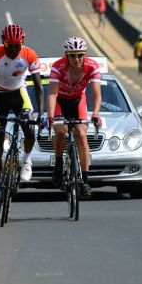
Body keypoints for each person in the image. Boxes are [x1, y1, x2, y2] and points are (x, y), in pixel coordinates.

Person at [0, 24, 44, 213]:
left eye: (17, 45)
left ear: (22, 43)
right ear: (3, 41)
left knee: (30, 129)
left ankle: (27, 160)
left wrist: (41, 114)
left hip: (19, 94)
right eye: (9, 45)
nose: (13, 49)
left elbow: (39, 87)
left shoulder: (29, 55)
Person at [45, 37, 102, 198]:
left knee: (82, 135)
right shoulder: (58, 67)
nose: (77, 59)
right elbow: (52, 93)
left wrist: (95, 114)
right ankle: (58, 164)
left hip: (77, 100)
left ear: (85, 55)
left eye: (80, 55)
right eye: (72, 56)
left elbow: (97, 94)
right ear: (66, 56)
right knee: (61, 132)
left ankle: (85, 180)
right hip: (60, 101)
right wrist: (50, 116)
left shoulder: (92, 66)